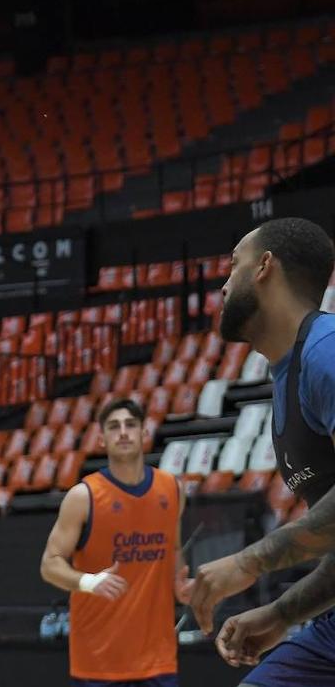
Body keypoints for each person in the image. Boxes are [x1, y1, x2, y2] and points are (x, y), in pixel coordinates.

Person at [185, 217, 335, 683]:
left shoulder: (326, 351)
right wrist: (283, 613)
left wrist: (249, 562)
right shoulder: (290, 372)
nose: (225, 284)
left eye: (234, 266)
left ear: (265, 266)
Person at [40, 398, 191, 687]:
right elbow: (49, 564)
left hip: (158, 659)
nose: (123, 432)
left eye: (131, 425)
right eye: (114, 426)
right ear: (101, 439)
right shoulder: (83, 496)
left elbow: (173, 549)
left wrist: (179, 584)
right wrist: (88, 582)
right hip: (99, 663)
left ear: (145, 433)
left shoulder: (172, 489)